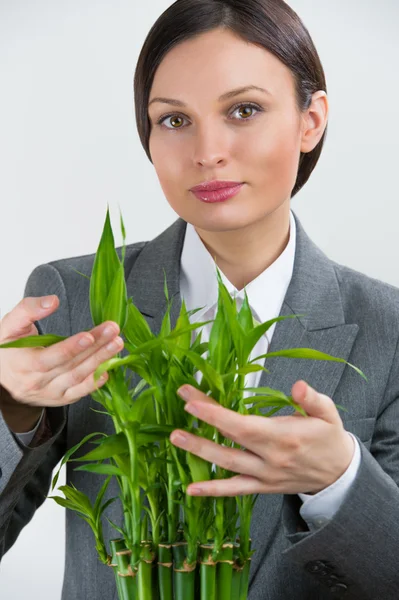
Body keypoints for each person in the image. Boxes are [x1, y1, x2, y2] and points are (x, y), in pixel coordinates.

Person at [1, 1, 398, 599]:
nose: (207, 151)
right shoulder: (73, 299)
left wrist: (339, 481)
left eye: (244, 110)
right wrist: (9, 407)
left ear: (310, 120)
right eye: (174, 120)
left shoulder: (387, 327)